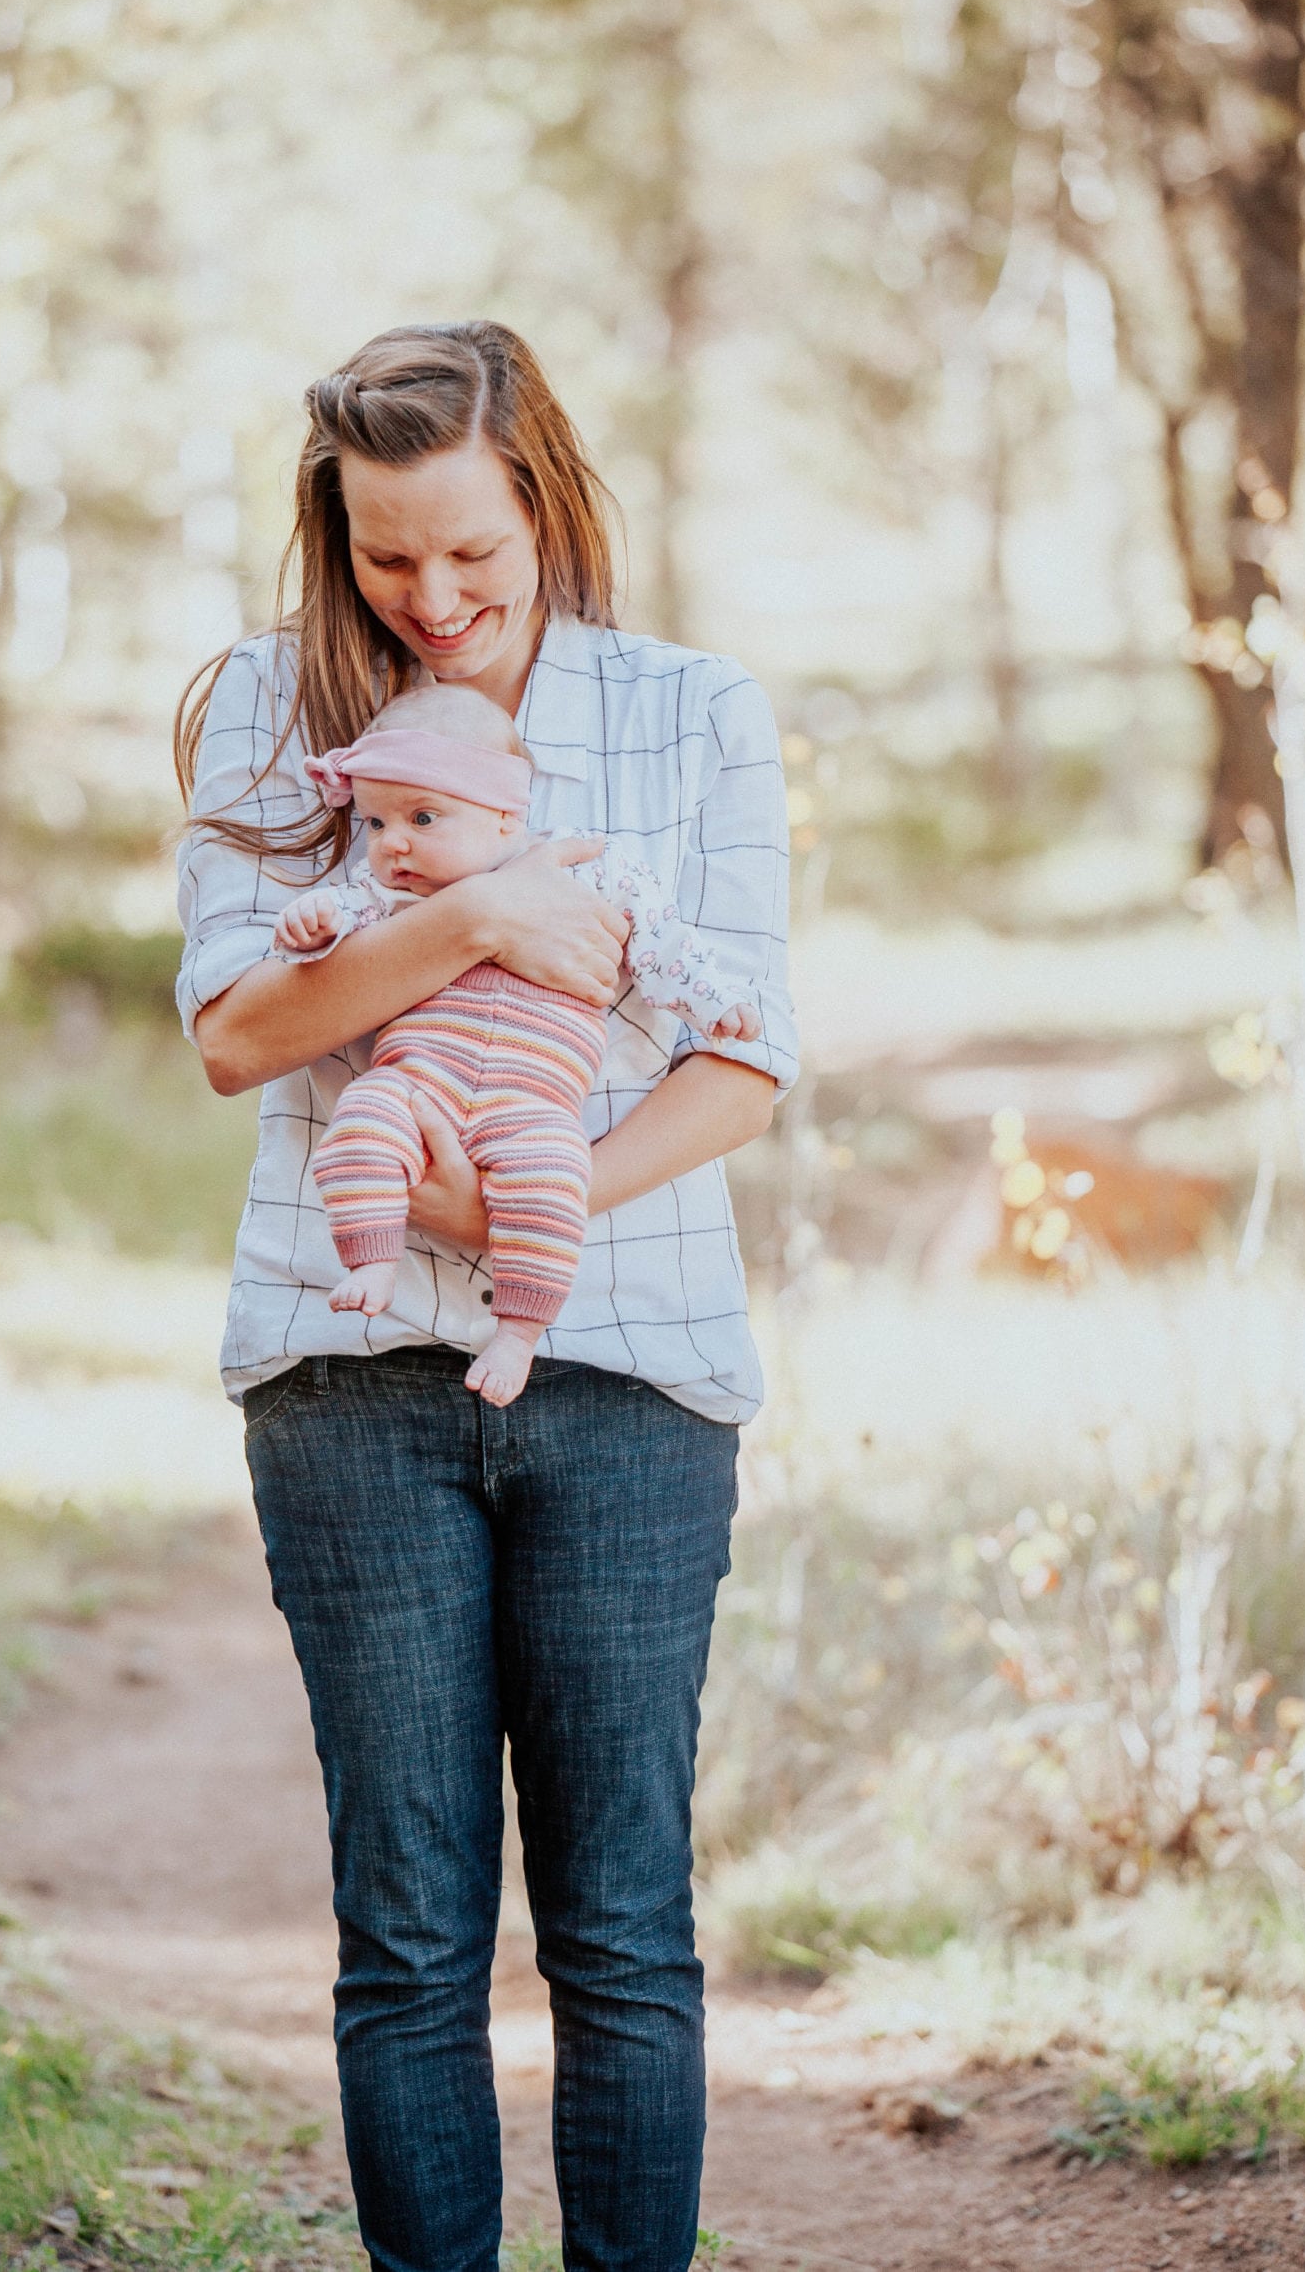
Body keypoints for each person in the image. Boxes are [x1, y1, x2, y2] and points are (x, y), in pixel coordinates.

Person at [174, 320, 796, 2272]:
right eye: (380, 557)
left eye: (470, 555)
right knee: (411, 1929)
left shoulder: (692, 712)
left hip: (625, 1371)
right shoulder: (263, 712)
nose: (430, 602)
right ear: (327, 530)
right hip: (345, 1378)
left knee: (618, 1921)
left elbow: (748, 1053)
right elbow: (233, 1032)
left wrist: (526, 1201)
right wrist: (465, 911)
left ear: (545, 502)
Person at [270, 681, 761, 1405]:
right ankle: (370, 1254)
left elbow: (664, 943)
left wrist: (715, 1002)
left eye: (422, 815)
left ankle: (520, 1329)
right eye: (373, 821)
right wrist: (310, 922)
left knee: (553, 1184)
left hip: (532, 1104)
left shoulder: (588, 869)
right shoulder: (398, 899)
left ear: (505, 817)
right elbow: (333, 930)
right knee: (364, 1117)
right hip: (419, 1081)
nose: (391, 842)